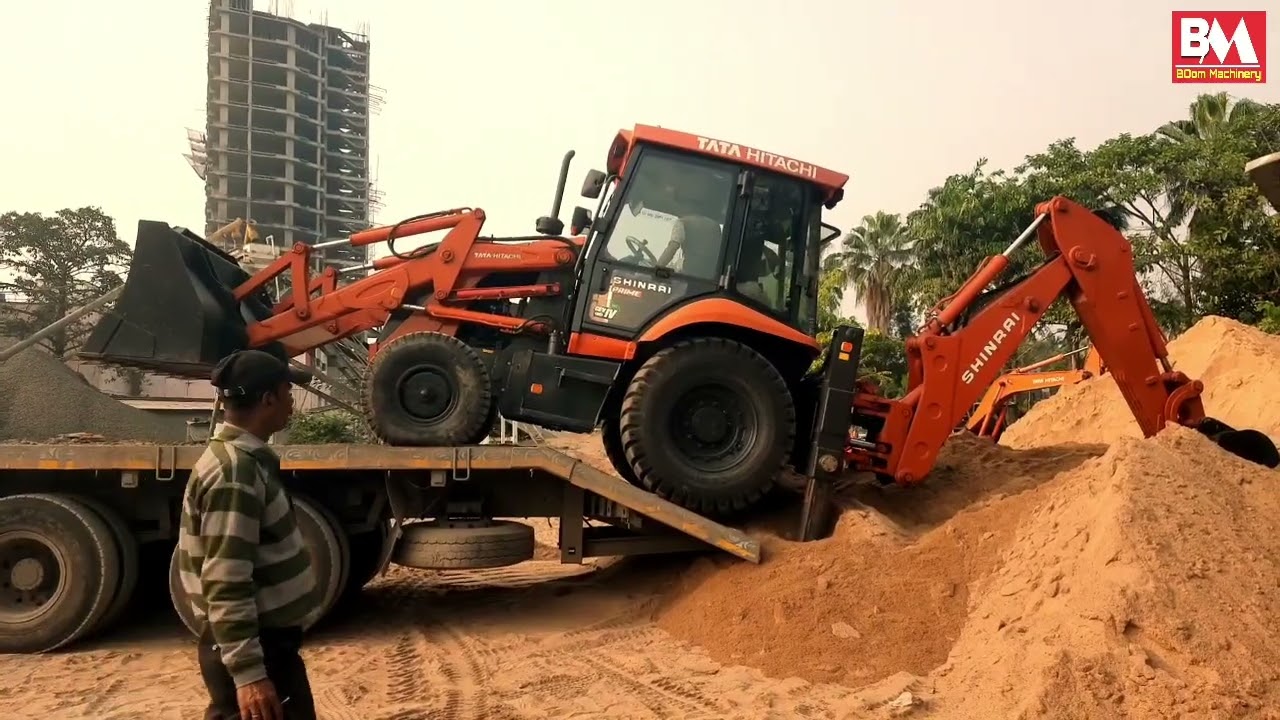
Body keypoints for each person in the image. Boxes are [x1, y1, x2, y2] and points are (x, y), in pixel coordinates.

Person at [176, 349, 320, 720]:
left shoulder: (240, 462)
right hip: (259, 649)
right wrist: (249, 674)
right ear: (268, 399)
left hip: (265, 646)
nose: (292, 402)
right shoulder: (234, 473)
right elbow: (227, 579)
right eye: (288, 392)